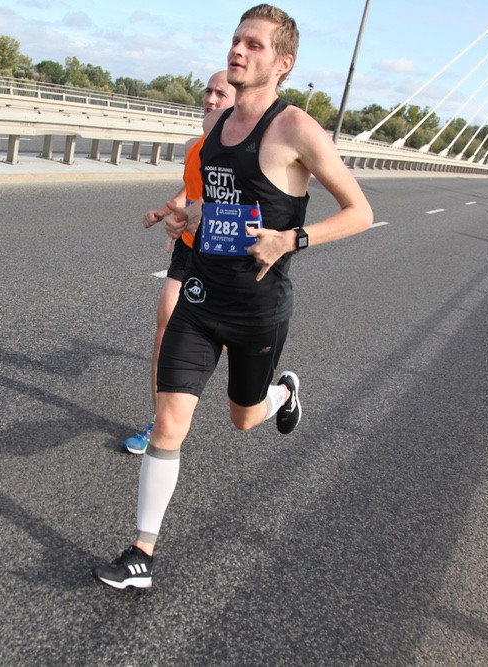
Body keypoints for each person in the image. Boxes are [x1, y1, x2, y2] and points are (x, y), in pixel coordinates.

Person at [93, 3, 373, 590]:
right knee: (169, 422)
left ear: (282, 63)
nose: (238, 50)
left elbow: (361, 212)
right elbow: (220, 203)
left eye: (254, 44)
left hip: (257, 309)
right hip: (200, 296)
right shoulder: (218, 127)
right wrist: (187, 216)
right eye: (236, 40)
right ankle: (142, 552)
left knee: (243, 419)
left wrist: (291, 238)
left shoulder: (295, 128)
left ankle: (283, 392)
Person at [122, 72, 237, 455]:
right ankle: (159, 421)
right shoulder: (194, 146)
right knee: (164, 330)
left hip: (226, 255)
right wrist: (167, 210)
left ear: (238, 101)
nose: (211, 99)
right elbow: (193, 187)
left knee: (241, 390)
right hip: (189, 249)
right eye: (208, 91)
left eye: (221, 93)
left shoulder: (246, 151)